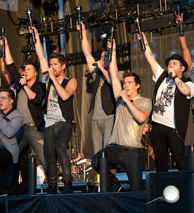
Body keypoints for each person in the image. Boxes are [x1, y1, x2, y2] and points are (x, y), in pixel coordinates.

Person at [92, 39, 152, 192]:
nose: (125, 85)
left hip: (132, 150)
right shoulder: (120, 97)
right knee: (97, 160)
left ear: (137, 85)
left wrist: (127, 100)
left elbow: (140, 118)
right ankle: (115, 185)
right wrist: (113, 51)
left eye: (129, 83)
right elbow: (113, 73)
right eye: (124, 83)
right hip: (115, 147)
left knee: (137, 190)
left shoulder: (145, 101)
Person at [138, 32, 194, 172]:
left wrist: (175, 77)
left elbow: (186, 92)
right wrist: (144, 41)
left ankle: (187, 186)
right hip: (157, 125)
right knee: (160, 159)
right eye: (169, 64)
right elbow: (151, 59)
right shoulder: (162, 76)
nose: (170, 65)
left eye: (174, 64)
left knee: (179, 156)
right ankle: (163, 188)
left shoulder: (188, 82)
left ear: (182, 68)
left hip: (174, 128)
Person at [31, 26, 77, 194]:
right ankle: (52, 187)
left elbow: (65, 96)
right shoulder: (49, 78)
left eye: (55, 65)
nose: (52, 67)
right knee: (50, 156)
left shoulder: (71, 80)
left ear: (63, 66)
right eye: (51, 65)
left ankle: (68, 184)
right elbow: (40, 56)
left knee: (61, 149)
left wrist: (53, 79)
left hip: (64, 122)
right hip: (49, 123)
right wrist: (35, 36)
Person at [3, 37, 47, 172]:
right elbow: (11, 65)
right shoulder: (20, 84)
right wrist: (5, 45)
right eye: (25, 69)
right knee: (11, 157)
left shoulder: (41, 86)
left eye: (29, 69)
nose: (25, 71)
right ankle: (9, 188)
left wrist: (25, 86)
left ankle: (55, 186)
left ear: (35, 72)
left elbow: (36, 99)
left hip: (34, 128)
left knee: (44, 158)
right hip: (20, 129)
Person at [77, 22, 118, 155]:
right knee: (97, 154)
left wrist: (101, 66)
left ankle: (109, 176)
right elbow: (87, 54)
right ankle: (99, 176)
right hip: (95, 119)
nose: (104, 60)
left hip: (109, 117)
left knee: (108, 151)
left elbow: (112, 82)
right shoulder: (97, 74)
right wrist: (83, 32)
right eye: (102, 58)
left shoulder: (116, 75)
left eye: (106, 57)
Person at [0, 60, 24, 196]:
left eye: (3, 98)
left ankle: (3, 188)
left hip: (7, 152)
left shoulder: (17, 116)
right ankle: (1, 191)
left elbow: (9, 132)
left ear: (11, 101)